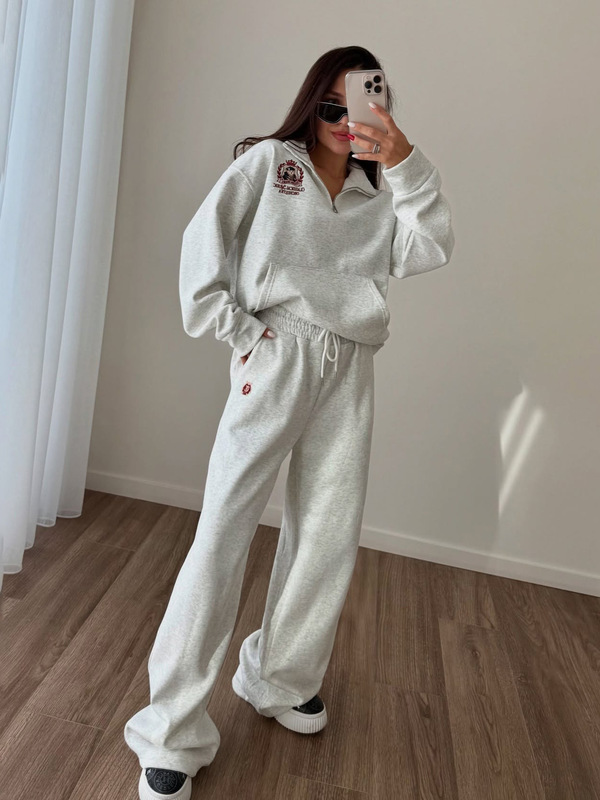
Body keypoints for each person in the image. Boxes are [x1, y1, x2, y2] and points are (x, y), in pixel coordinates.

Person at [125, 45, 455, 800]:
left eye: (361, 105)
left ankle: (280, 677)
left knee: (328, 531)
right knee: (224, 531)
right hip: (276, 354)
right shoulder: (272, 164)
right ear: (313, 103)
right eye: (331, 105)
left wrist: (405, 161)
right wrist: (240, 331)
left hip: (350, 362)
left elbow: (432, 246)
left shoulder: (378, 196)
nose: (343, 119)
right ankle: (170, 731)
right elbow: (202, 240)